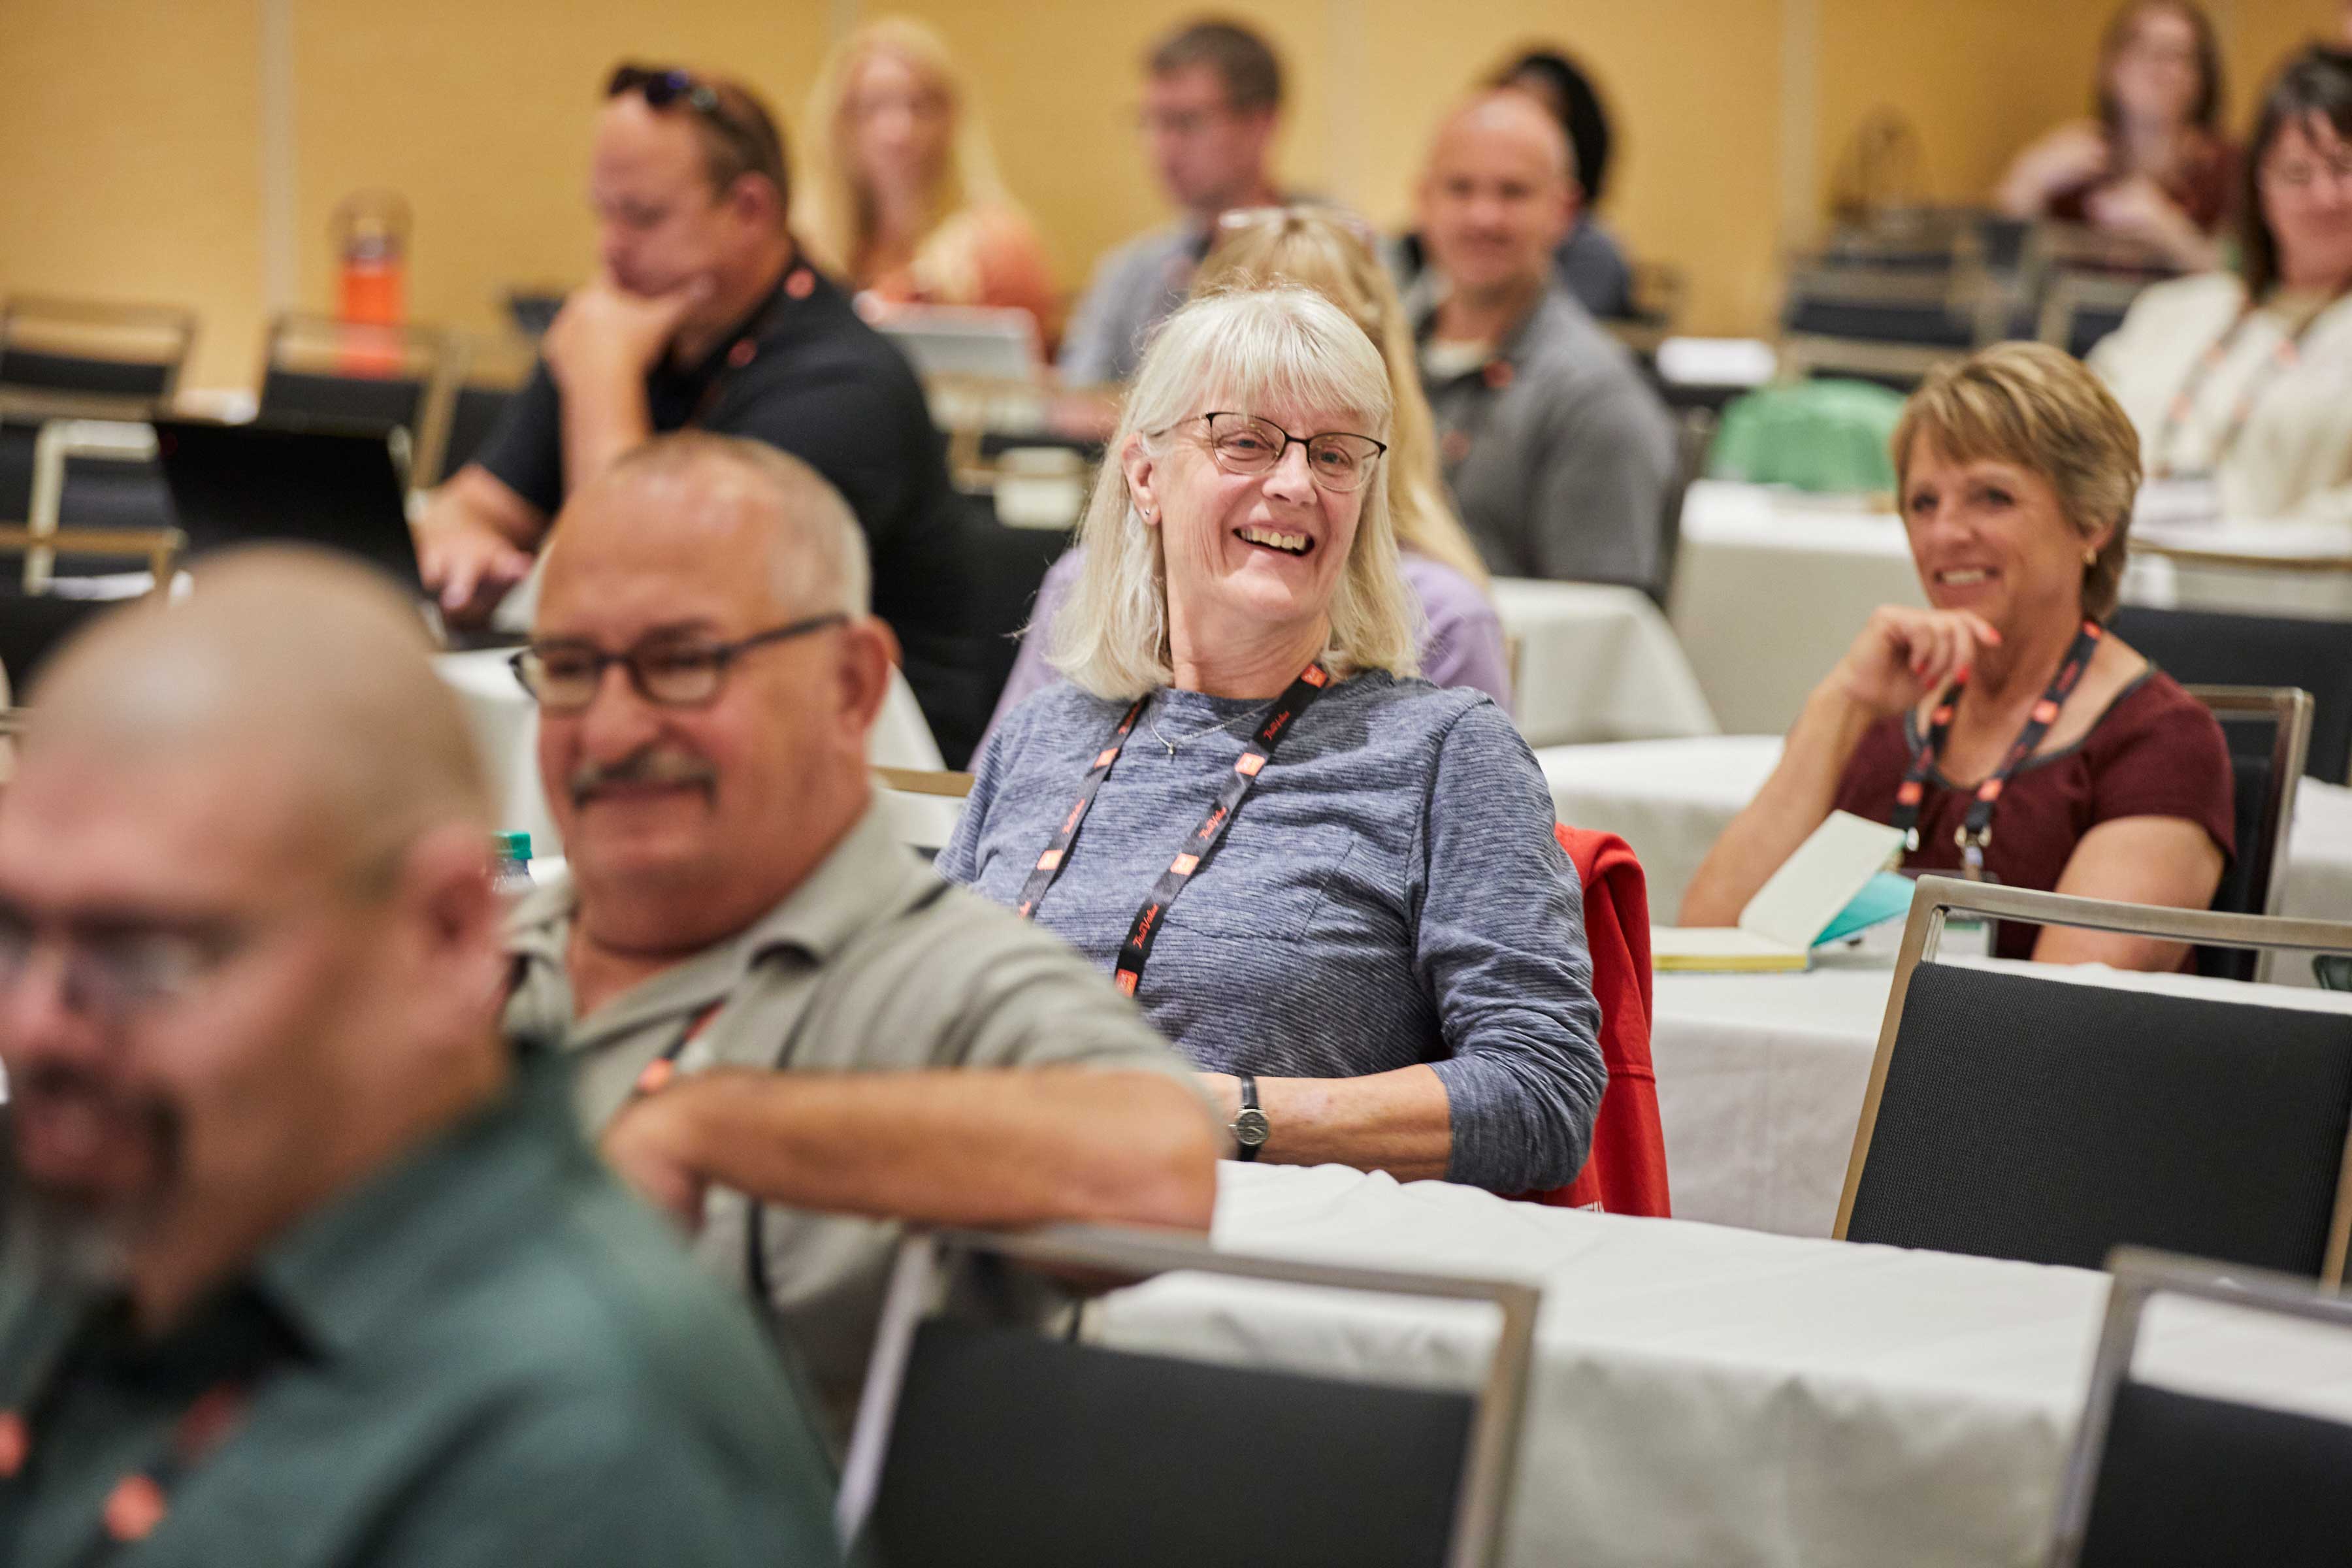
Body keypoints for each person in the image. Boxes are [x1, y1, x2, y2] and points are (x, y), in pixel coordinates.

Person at [0, 552, 840, 1567]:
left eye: (144, 954)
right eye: (14, 937)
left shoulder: (590, 1440)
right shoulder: (97, 1223)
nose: (35, 1028)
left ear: (444, 935)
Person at [498, 432, 1219, 1435]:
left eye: (683, 663)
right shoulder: (464, 965)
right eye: (573, 667)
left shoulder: (946, 977)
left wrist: (702, 1130)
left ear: (850, 686)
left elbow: (1157, 1173)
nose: (612, 731)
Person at [940, 288, 1605, 1198]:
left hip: (1253, 1253)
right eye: (1246, 442)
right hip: (982, 1219)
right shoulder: (1042, 737)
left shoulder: (1445, 754)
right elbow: (914, 1011)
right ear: (1145, 477)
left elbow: (1544, 1093)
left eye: (1332, 455)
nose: (1295, 484)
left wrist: (1227, 1117)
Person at [410, 63, 972, 757]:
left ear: (750, 209)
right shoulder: (629, 324)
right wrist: (463, 550)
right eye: (604, 212)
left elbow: (645, 599)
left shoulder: (848, 386)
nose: (610, 248)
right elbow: (468, 507)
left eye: (643, 216)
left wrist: (604, 377)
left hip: (865, 772)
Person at [1682, 344, 2232, 970]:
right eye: (1924, 503)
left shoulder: (2161, 744)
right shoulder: (1881, 712)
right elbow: (1706, 944)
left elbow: (2062, 1012)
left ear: (2092, 521)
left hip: (1995, 1041)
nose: (1944, 533)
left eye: (1992, 497)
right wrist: (1842, 704)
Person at [987, 206, 1511, 742]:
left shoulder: (1442, 619)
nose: (1293, 482)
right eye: (1246, 438)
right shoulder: (1086, 587)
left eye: (1327, 343)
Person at [1412, 89, 1676, 593]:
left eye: (1513, 192)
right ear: (1423, 200)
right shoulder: (1373, 357)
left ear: (1564, 210)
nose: (1483, 217)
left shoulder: (1597, 401)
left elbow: (1597, 624)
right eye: (1460, 188)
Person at [2091, 44, 2352, 522]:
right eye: (2297, 173)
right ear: (2260, 186)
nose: (2324, 196)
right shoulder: (2174, 309)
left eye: (2344, 167)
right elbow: (2074, 433)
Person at [795, 17, 1060, 346]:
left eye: (919, 106)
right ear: (839, 124)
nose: (898, 131)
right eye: (874, 107)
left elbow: (1014, 374)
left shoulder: (997, 248)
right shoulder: (814, 250)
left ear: (951, 120)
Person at [1056, 20, 1286, 389]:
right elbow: (1075, 401)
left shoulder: (1338, 260)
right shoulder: (1129, 271)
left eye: (1187, 122)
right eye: (1153, 121)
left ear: (1259, 124)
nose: (1164, 147)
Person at [1995, 1, 2236, 272]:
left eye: (2177, 56)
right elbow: (1995, 265)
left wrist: (2171, 234)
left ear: (2201, 78)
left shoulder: (2227, 170)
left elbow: (2248, 279)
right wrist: (2028, 180)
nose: (2158, 70)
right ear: (2111, 67)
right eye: (2142, 49)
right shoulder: (2074, 160)